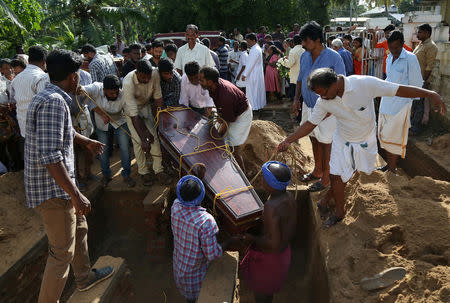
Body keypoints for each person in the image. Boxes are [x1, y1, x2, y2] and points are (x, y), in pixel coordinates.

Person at [278, 68, 445, 228]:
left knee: (350, 175)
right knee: (335, 175)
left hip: (366, 141)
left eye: (324, 93)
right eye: (319, 95)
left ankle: (325, 200)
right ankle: (339, 213)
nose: (322, 97)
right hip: (342, 139)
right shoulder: (324, 102)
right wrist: (288, 140)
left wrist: (429, 94)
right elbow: (309, 125)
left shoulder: (364, 84)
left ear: (335, 83)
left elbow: (398, 90)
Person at [25, 49, 114, 303]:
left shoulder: (48, 96)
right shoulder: (55, 102)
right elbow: (50, 156)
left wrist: (85, 141)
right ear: (74, 77)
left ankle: (84, 277)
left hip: (59, 184)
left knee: (80, 227)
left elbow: (61, 133)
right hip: (53, 189)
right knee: (61, 253)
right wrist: (75, 195)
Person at [292, 21, 345, 193]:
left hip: (328, 107)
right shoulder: (304, 56)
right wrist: (296, 99)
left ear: (316, 40)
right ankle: (318, 170)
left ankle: (327, 178)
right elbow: (300, 79)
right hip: (308, 105)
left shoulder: (334, 57)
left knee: (327, 141)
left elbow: (342, 85)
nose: (303, 44)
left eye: (305, 41)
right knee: (313, 137)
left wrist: (331, 109)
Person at [240, 161, 296, 303]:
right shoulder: (289, 197)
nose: (261, 179)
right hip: (283, 257)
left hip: (269, 260)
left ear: (270, 184)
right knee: (267, 294)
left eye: (264, 178)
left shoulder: (271, 207)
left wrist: (251, 238)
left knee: (261, 297)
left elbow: (273, 244)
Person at [172, 175, 234, 303]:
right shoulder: (206, 222)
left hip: (180, 268)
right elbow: (212, 255)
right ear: (201, 196)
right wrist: (229, 242)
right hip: (196, 276)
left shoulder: (176, 206)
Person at [378, 31, 423, 173]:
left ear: (402, 44)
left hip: (401, 106)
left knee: (395, 137)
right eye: (391, 48)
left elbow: (417, 84)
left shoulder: (410, 58)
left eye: (396, 48)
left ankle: (392, 168)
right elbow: (389, 79)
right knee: (385, 136)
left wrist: (412, 106)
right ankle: (389, 164)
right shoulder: (389, 58)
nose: (394, 51)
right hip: (386, 103)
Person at [122, 59, 171, 186]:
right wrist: (144, 138)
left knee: (154, 136)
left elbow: (158, 98)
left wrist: (161, 121)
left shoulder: (154, 74)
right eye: (143, 77)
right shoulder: (128, 83)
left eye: (148, 77)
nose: (146, 80)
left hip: (146, 107)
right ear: (137, 72)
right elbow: (134, 117)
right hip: (132, 112)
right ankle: (143, 172)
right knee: (138, 142)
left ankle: (158, 171)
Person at [81, 75, 135, 188]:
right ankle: (106, 175)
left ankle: (126, 175)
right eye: (111, 93)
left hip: (120, 121)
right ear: (104, 90)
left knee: (125, 148)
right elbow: (83, 92)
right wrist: (102, 114)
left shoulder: (123, 94)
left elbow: (129, 111)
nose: (114, 95)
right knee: (103, 150)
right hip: (102, 123)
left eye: (116, 92)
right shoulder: (96, 88)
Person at [199, 66, 253, 172]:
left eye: (202, 80)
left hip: (242, 115)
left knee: (233, 147)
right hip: (232, 111)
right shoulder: (215, 85)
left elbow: (226, 124)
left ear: (210, 82)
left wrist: (217, 138)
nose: (199, 81)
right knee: (224, 141)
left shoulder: (225, 96)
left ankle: (243, 177)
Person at [11, 45, 49, 138]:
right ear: (44, 62)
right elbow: (45, 106)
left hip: (24, 129)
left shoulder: (16, 79)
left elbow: (14, 102)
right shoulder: (42, 77)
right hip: (41, 131)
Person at [411, 23, 438, 135]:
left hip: (421, 81)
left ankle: (416, 129)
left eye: (420, 32)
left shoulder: (431, 46)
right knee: (414, 104)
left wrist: (423, 82)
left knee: (419, 105)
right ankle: (412, 125)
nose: (418, 34)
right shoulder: (420, 45)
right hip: (414, 80)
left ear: (427, 33)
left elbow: (429, 67)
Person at [242, 33, 266, 111]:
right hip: (255, 73)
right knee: (256, 91)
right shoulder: (256, 48)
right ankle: (256, 106)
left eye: (249, 42)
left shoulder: (255, 50)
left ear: (254, 40)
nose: (248, 44)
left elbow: (250, 64)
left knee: (253, 91)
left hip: (253, 74)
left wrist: (244, 74)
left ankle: (254, 107)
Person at [282, 35, 304, 105]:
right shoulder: (305, 49)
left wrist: (284, 60)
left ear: (293, 42)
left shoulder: (293, 51)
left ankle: (297, 113)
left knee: (297, 97)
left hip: (295, 77)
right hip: (304, 76)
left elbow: (290, 64)